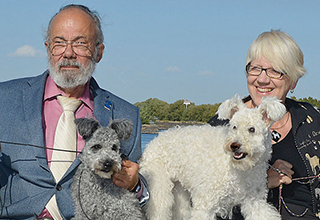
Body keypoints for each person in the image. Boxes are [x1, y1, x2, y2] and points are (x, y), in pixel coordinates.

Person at [0, 4, 149, 220]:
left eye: (80, 43)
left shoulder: (127, 114)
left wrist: (136, 185)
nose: (68, 53)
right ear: (48, 48)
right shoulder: (4, 98)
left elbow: (140, 190)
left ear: (99, 52)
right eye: (59, 43)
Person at [208, 30, 320, 219]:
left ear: (293, 81)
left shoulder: (312, 119)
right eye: (255, 69)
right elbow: (204, 200)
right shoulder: (222, 126)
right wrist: (259, 181)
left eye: (275, 71)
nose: (262, 79)